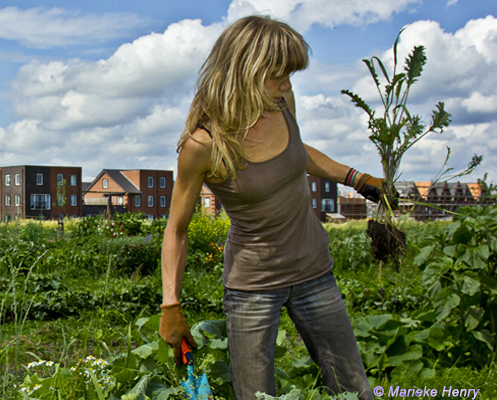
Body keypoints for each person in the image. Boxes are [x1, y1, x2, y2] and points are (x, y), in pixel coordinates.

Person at [158, 16, 380, 400]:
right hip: (253, 288)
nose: (288, 85)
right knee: (256, 396)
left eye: (290, 75)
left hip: (315, 272)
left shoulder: (282, 104)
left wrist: (357, 179)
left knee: (355, 388)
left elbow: (298, 154)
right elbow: (177, 229)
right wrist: (170, 305)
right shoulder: (203, 145)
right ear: (245, 71)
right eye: (278, 75)